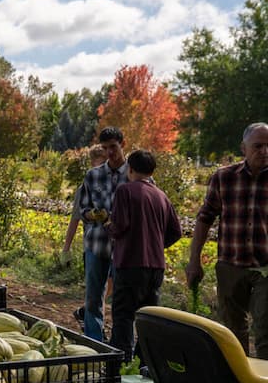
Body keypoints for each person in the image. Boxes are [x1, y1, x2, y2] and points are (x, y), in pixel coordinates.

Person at [186, 122, 268, 358]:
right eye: (258, 146)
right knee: (233, 330)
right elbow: (204, 219)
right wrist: (194, 261)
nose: (264, 151)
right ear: (244, 148)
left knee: (265, 328)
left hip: (265, 267)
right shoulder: (224, 178)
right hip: (231, 264)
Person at [105, 150, 182, 362]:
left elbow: (120, 227)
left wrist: (108, 227)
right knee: (148, 318)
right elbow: (176, 231)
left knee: (123, 316)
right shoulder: (161, 196)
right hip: (156, 266)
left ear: (130, 169)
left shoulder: (125, 191)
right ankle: (145, 363)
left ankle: (122, 364)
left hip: (130, 263)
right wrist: (157, 245)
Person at [76, 127, 129, 341]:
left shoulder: (134, 174)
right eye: (105, 148)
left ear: (122, 145)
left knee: (121, 299)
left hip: (124, 248)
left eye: (113, 147)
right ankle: (94, 342)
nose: (109, 153)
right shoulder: (93, 175)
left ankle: (120, 344)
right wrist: (93, 215)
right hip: (97, 243)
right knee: (93, 298)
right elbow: (82, 210)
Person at [62, 145, 110, 321]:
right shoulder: (85, 187)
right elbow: (75, 219)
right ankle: (92, 326)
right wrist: (66, 248)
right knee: (96, 289)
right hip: (94, 246)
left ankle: (86, 312)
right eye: (99, 164)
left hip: (114, 246)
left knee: (108, 286)